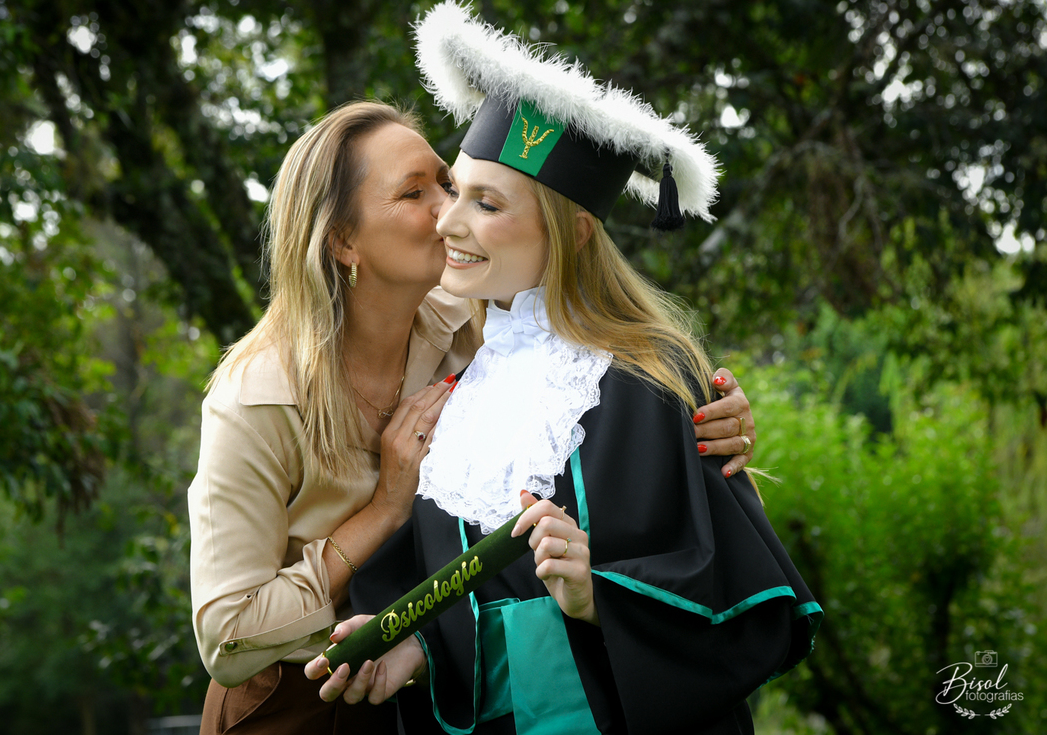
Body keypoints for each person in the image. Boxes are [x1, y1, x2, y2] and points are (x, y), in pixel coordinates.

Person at [304, 0, 821, 734]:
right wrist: (415, 650)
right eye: (455, 190)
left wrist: (596, 596)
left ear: (574, 232)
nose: (450, 221)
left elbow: (745, 605)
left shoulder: (652, 378)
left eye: (487, 203)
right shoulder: (457, 382)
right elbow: (468, 597)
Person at [189, 103, 760, 732]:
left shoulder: (474, 330)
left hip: (416, 687)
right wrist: (386, 511)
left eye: (452, 186)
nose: (446, 214)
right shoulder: (257, 399)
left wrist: (703, 414)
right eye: (419, 193)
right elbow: (227, 637)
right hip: (294, 698)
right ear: (344, 240)